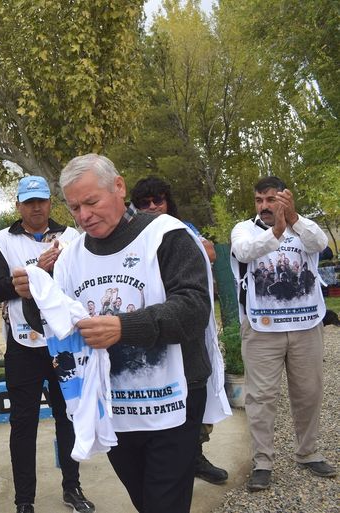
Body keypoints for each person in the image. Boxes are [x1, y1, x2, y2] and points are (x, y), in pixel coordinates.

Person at [12, 156, 219, 513]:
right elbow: (53, 323)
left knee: (164, 504)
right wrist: (33, 297)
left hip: (176, 398)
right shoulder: (71, 256)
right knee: (144, 500)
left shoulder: (167, 234)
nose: (83, 215)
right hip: (112, 404)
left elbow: (194, 308)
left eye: (91, 202)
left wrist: (124, 327)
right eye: (75, 207)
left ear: (119, 187)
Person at [0, 175, 93, 513]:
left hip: (64, 343)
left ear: (50, 203)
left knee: (68, 417)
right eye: (29, 202)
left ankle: (72, 488)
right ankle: (24, 500)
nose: (36, 207)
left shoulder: (72, 237)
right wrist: (30, 276)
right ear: (18, 205)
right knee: (23, 424)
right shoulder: (1, 240)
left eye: (41, 201)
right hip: (24, 344)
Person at [230, 176, 336, 492]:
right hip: (262, 329)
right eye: (259, 200)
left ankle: (308, 452)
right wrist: (276, 230)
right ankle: (262, 461)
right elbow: (244, 252)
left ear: (285, 199)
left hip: (306, 327)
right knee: (261, 397)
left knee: (309, 393)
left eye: (271, 199)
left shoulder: (305, 228)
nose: (264, 206)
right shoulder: (243, 229)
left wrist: (292, 220)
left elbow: (319, 245)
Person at [130, 176, 227, 485]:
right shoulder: (133, 235)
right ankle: (168, 471)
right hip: (150, 325)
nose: (152, 207)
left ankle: (195, 457)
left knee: (194, 392)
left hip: (186, 322)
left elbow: (209, 254)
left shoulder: (183, 229)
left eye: (157, 200)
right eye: (143, 203)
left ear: (168, 201)